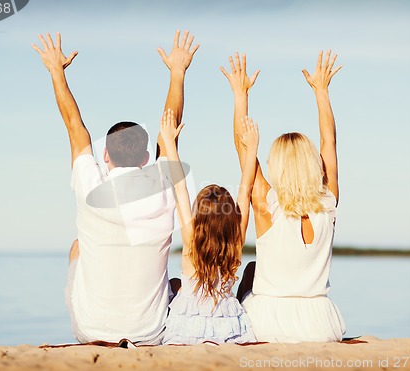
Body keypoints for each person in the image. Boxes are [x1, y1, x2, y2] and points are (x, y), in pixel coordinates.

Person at [31, 30, 199, 345]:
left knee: (78, 246)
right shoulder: (162, 185)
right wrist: (178, 72)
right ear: (147, 157)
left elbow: (74, 125)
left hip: (90, 331)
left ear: (104, 155)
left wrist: (56, 71)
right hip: (151, 332)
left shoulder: (89, 185)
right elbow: (170, 129)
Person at [221, 51, 346, 343]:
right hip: (319, 324)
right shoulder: (328, 204)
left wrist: (240, 95)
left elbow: (243, 148)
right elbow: (330, 141)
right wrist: (321, 91)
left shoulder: (268, 205)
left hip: (267, 322)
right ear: (312, 164)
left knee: (251, 271)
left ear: (278, 165)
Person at [159, 109, 257, 345]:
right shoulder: (235, 240)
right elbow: (246, 190)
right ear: (230, 216)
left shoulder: (191, 237)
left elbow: (180, 188)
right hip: (227, 324)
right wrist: (252, 148)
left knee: (174, 283)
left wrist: (169, 144)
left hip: (186, 328)